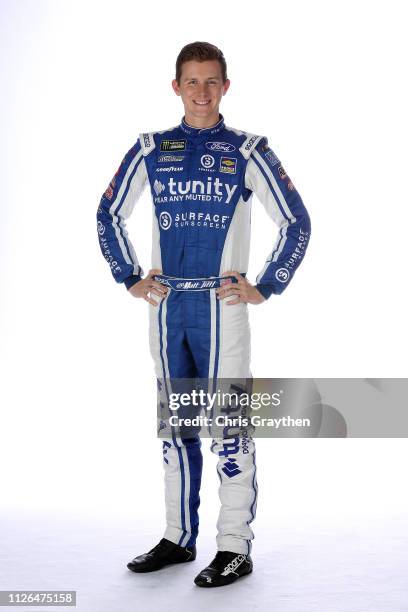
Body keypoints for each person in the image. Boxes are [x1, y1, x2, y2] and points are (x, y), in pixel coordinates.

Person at [96, 41, 311, 588]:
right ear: (176, 86)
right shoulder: (151, 147)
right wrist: (129, 275)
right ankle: (178, 536)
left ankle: (234, 547)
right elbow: (109, 211)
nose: (201, 91)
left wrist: (266, 285)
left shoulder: (247, 148)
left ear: (225, 87)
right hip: (166, 305)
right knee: (176, 427)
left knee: (230, 427)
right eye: (191, 81)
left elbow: (297, 222)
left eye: (211, 81)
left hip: (222, 306)